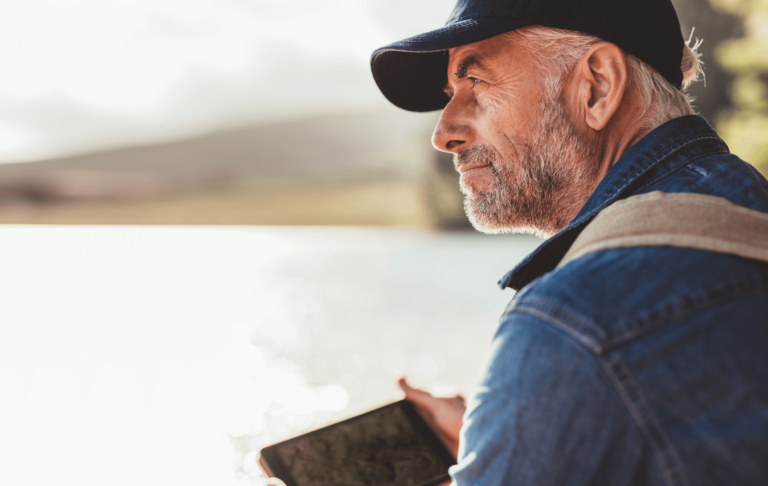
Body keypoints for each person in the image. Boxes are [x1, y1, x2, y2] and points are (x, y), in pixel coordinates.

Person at [369, 0, 768, 485]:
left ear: (597, 85)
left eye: (474, 81)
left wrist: (541, 385)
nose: (444, 132)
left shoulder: (573, 323)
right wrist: (518, 430)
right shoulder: (749, 206)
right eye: (451, 91)